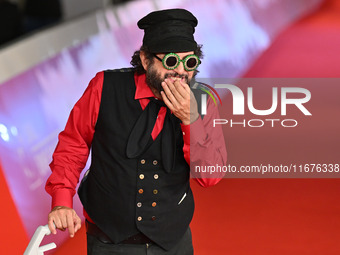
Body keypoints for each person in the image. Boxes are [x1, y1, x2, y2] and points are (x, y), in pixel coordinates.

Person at [45, 8, 227, 255]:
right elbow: (72, 146)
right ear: (145, 59)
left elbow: (210, 176)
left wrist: (190, 119)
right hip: (109, 242)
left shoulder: (203, 101)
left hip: (172, 243)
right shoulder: (104, 87)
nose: (181, 72)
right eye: (171, 61)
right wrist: (61, 202)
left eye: (190, 62)